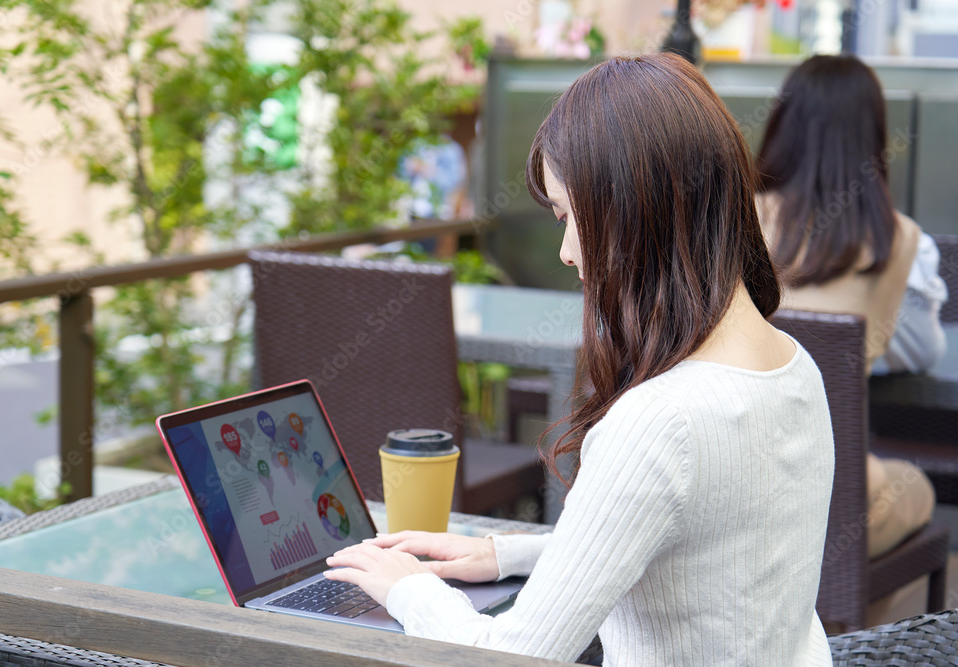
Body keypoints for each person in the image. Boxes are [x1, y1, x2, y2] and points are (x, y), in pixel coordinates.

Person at [326, 53, 835, 666]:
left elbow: (509, 659)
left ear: (633, 210)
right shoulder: (795, 368)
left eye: (570, 217)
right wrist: (505, 554)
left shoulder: (660, 419)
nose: (568, 252)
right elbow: (702, 554)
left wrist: (407, 588)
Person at [756, 54, 941, 559]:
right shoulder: (898, 237)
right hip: (831, 487)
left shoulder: (738, 216)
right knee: (914, 487)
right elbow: (893, 344)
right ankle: (857, 636)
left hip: (738, 468)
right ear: (872, 136)